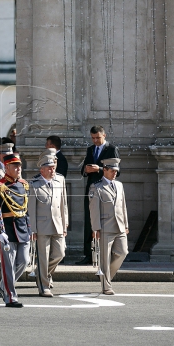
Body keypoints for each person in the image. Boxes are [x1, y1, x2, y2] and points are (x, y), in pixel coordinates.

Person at [0, 153, 31, 308]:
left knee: (24, 261)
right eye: (15, 166)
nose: (18, 168)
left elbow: (26, 210)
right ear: (7, 167)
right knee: (8, 264)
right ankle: (10, 296)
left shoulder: (23, 184)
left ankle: (2, 286)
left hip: (22, 228)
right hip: (7, 230)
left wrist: (29, 228)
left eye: (19, 165)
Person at [28, 155, 68, 297]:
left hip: (57, 224)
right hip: (41, 226)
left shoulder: (60, 180)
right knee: (43, 257)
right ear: (42, 170)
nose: (52, 170)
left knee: (60, 253)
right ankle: (44, 286)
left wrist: (65, 223)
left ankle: (43, 273)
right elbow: (31, 209)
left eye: (53, 168)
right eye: (49, 168)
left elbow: (64, 203)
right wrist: (32, 229)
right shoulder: (34, 184)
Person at [78, 126, 119, 265]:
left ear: (104, 135)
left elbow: (117, 171)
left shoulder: (112, 149)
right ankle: (89, 255)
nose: (95, 140)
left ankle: (105, 255)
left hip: (106, 190)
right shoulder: (90, 149)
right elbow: (83, 170)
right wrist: (85, 169)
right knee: (90, 222)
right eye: (93, 138)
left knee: (105, 222)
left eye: (98, 138)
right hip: (91, 189)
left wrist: (100, 169)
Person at [88, 158, 129, 295]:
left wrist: (126, 224)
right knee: (104, 259)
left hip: (120, 226)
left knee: (123, 252)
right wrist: (95, 228)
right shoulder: (96, 187)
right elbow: (94, 209)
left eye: (116, 171)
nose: (115, 173)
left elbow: (123, 206)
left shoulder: (119, 185)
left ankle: (106, 277)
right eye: (112, 171)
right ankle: (106, 286)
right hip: (105, 227)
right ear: (104, 170)